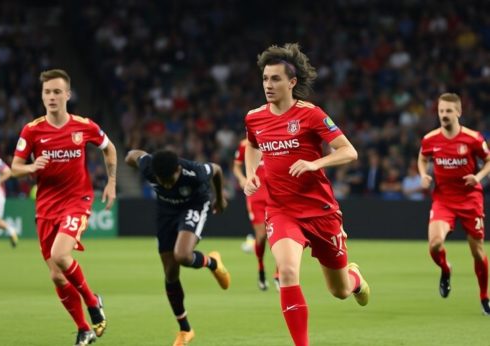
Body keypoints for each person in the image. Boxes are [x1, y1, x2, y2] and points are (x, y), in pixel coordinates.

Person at [243, 43, 370, 346]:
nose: (268, 85)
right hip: (281, 210)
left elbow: (349, 151)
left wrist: (316, 162)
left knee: (339, 291)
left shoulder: (311, 115)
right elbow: (252, 145)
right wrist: (251, 174)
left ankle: (355, 279)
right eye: (265, 79)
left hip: (320, 211)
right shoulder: (255, 118)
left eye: (275, 79)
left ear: (292, 82)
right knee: (287, 271)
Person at [11, 69, 116, 345]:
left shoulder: (84, 126)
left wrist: (112, 182)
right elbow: (15, 168)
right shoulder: (32, 130)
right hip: (45, 207)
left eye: (57, 92)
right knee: (57, 276)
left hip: (77, 200)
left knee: (60, 254)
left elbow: (109, 148)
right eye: (47, 92)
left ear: (68, 94)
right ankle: (84, 329)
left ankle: (93, 303)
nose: (52, 97)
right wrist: (33, 166)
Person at [125, 148, 230, 346]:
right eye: (161, 181)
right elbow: (131, 155)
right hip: (165, 211)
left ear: (178, 170)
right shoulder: (149, 166)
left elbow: (216, 169)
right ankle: (185, 329)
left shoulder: (195, 172)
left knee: (182, 255)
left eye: (170, 181)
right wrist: (137, 158)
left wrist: (220, 198)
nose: (165, 184)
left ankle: (212, 263)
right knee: (170, 273)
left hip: (194, 206)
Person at [418, 92, 490, 315]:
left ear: (458, 112)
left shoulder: (473, 138)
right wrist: (423, 174)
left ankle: (484, 297)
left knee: (478, 253)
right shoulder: (430, 139)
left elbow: (488, 161)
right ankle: (446, 269)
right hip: (443, 200)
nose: (444, 115)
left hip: (470, 200)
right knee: (435, 245)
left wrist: (477, 178)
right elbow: (422, 157)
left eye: (448, 111)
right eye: (441, 111)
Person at [233, 138, 279, 290]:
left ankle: (279, 274)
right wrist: (241, 179)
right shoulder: (245, 144)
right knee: (262, 236)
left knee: (279, 234)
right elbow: (236, 166)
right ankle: (261, 270)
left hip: (276, 193)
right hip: (256, 196)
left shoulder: (276, 139)